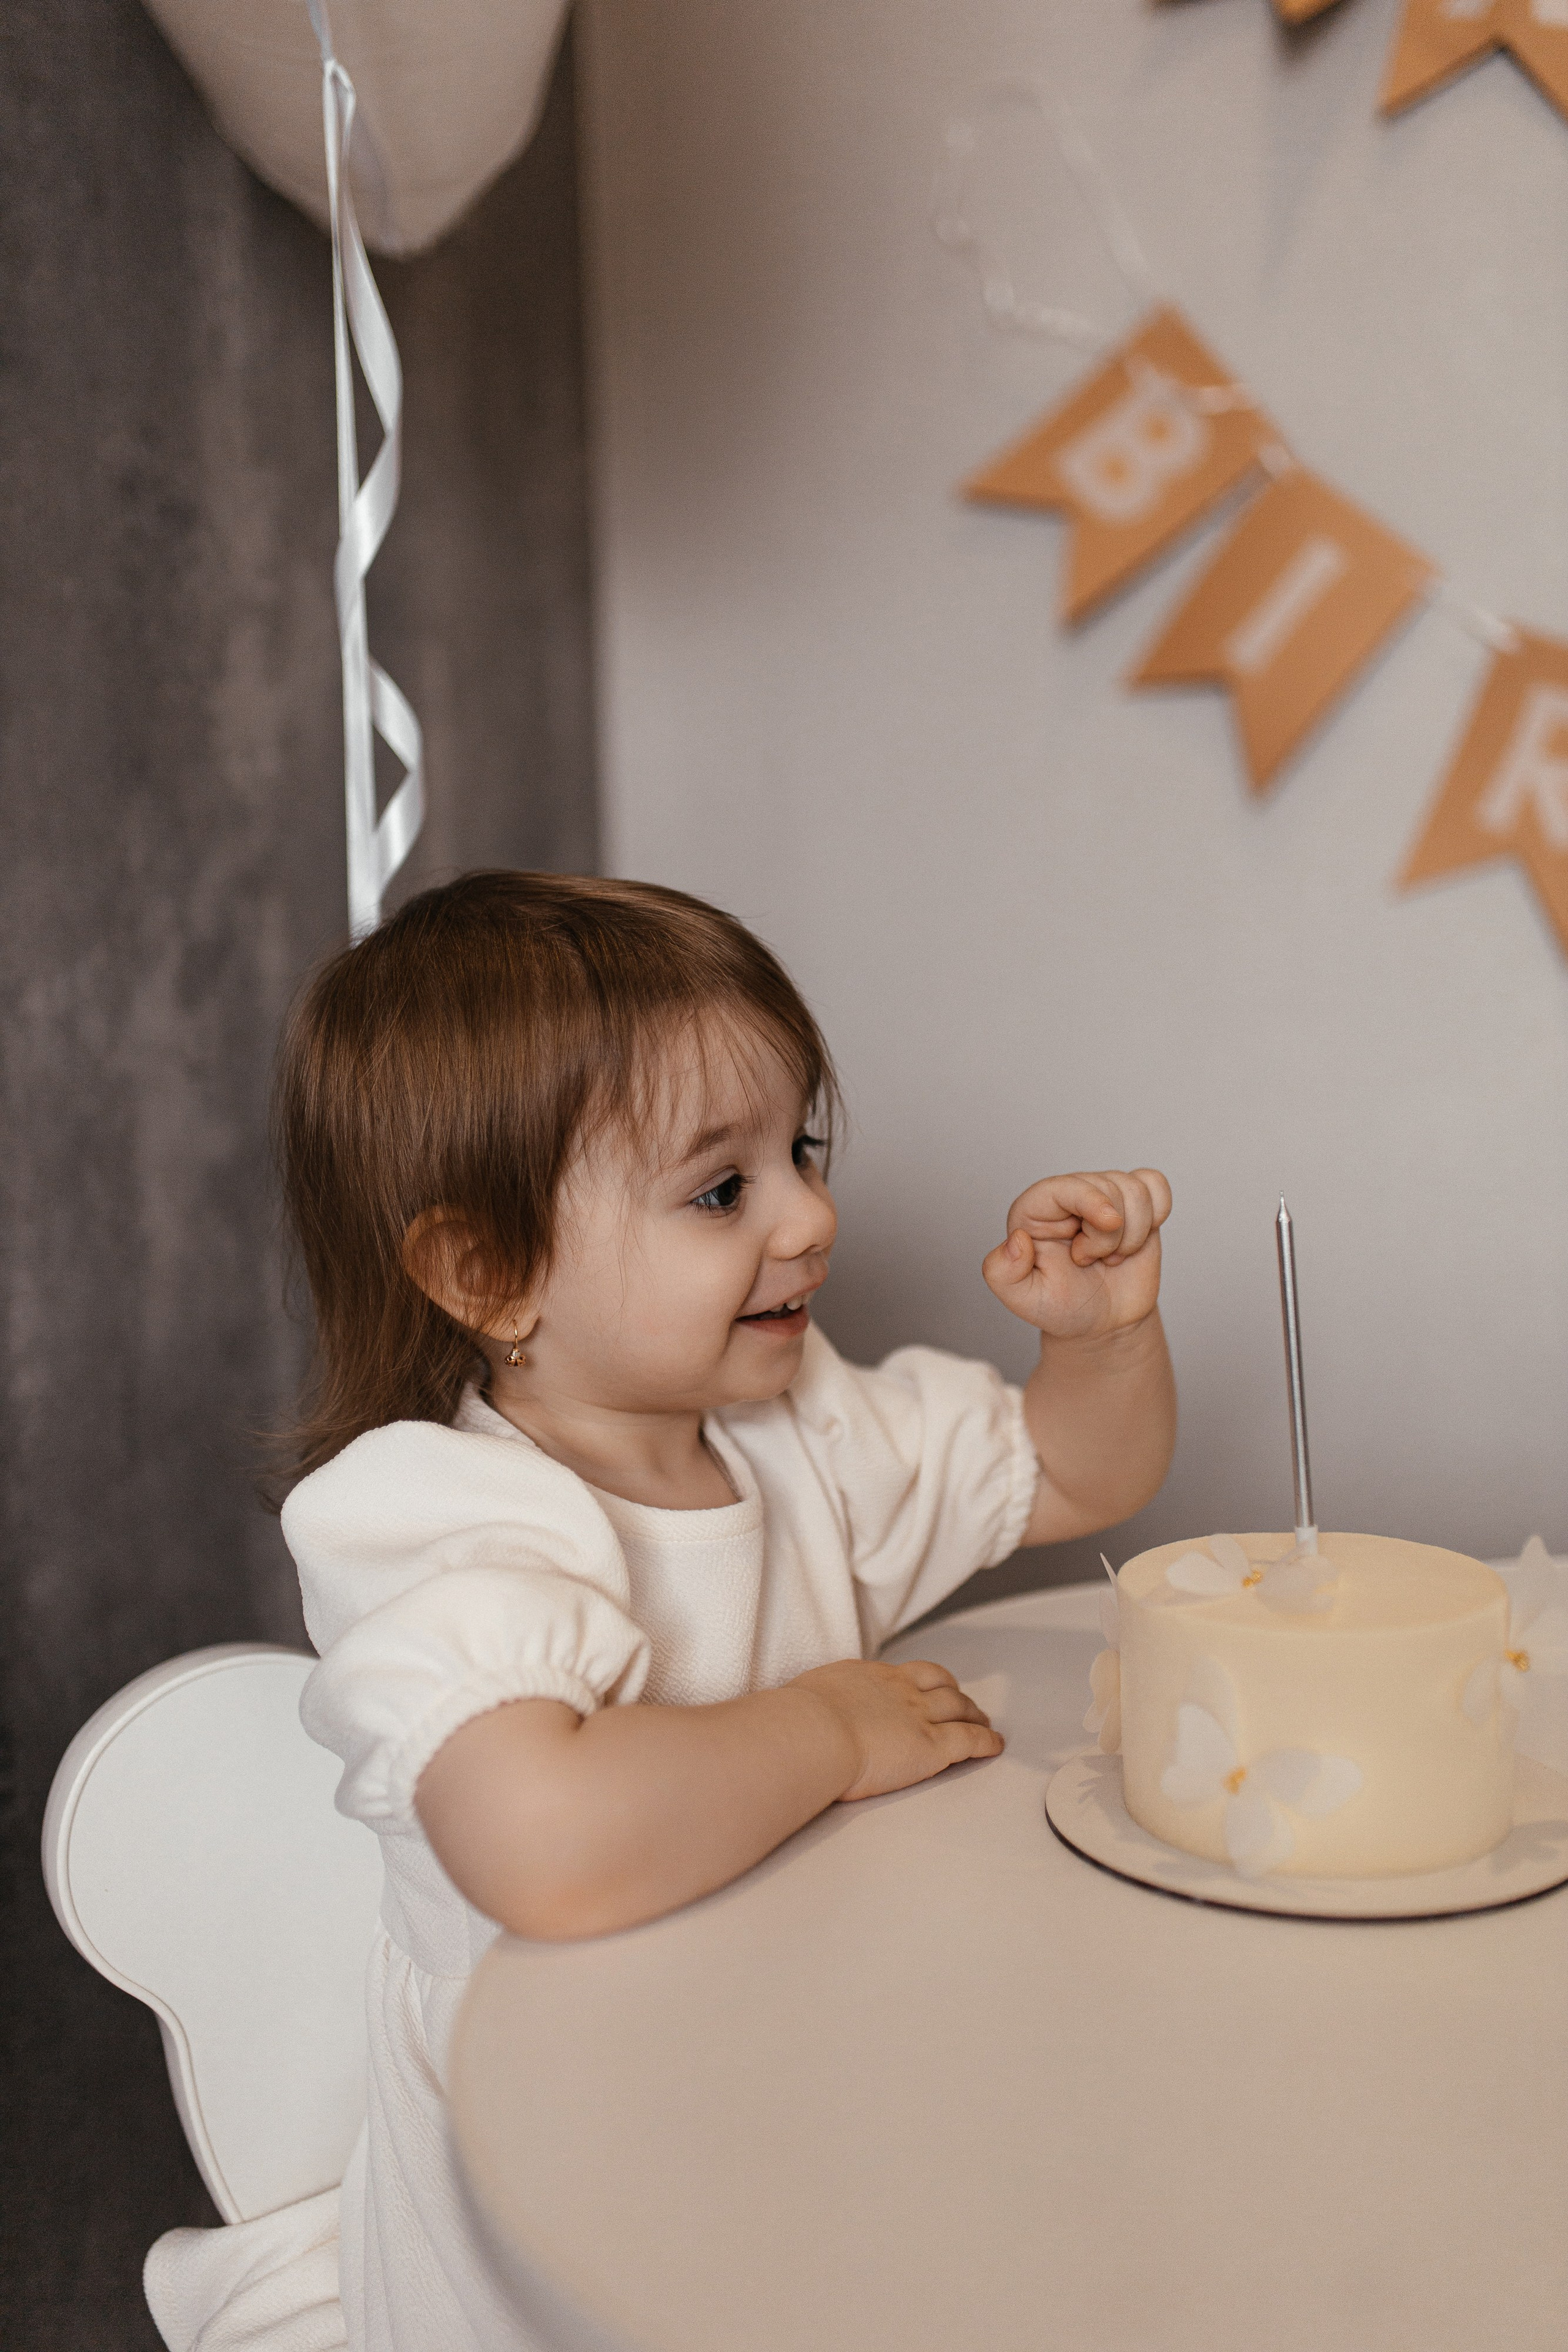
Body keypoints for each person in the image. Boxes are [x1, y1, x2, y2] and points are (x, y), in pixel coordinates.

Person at [145, 869, 1174, 2352]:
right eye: (721, 1190)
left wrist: (1104, 1342)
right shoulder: (441, 1512)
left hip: (781, 2077)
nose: (813, 1214)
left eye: (800, 1148)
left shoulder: (798, 1427)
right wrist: (825, 1726)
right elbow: (547, 1846)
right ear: (486, 1273)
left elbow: (1078, 1474)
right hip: (547, 2192)